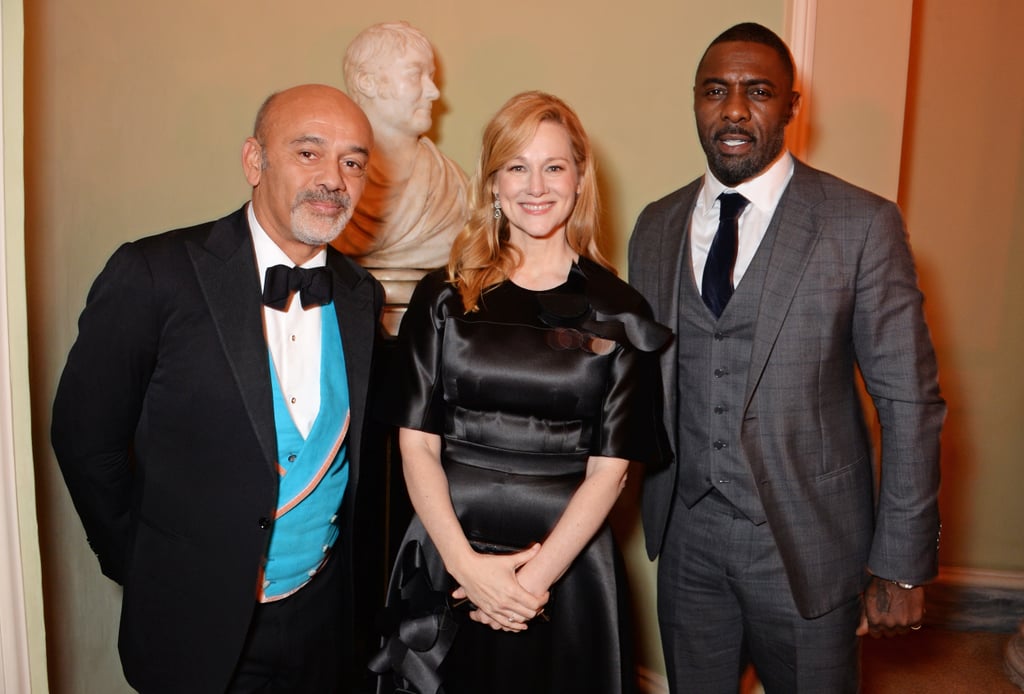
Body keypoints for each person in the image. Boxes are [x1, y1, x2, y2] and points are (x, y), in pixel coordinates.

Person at [628, 22, 945, 693]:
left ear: (791, 107)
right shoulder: (655, 225)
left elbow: (910, 404)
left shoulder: (860, 224)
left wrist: (903, 562)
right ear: (696, 102)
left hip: (808, 544)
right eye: (716, 91)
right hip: (686, 539)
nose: (735, 109)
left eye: (759, 91)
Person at [51, 84, 383, 693]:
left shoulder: (363, 297)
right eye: (309, 153)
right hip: (192, 624)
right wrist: (146, 565)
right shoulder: (155, 273)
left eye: (353, 162)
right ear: (254, 161)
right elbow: (84, 441)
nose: (334, 179)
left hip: (324, 625)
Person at [372, 91, 670, 694]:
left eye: (554, 166)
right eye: (517, 166)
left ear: (580, 178)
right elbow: (416, 447)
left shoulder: (620, 310)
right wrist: (467, 571)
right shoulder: (443, 298)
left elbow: (608, 474)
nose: (536, 185)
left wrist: (530, 583)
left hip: (567, 567)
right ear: (493, 182)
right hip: (445, 554)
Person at [336, 20, 468, 272]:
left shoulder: (453, 186)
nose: (433, 92)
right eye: (414, 75)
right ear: (367, 82)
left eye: (430, 77)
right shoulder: (330, 183)